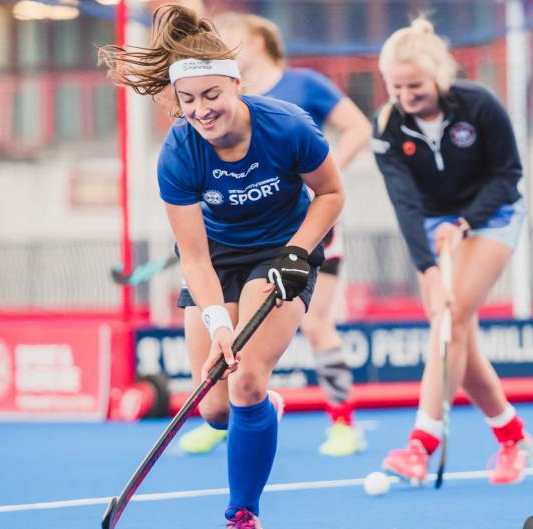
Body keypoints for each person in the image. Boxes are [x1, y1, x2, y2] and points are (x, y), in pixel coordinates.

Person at [99, 5, 344, 527]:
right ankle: (264, 409)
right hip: (215, 261)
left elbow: (331, 192)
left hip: (280, 252)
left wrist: (298, 252)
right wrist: (217, 322)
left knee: (245, 381)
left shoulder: (286, 126)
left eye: (212, 96)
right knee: (213, 408)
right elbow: (192, 255)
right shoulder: (179, 154)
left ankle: (242, 513)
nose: (202, 111)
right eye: (188, 101)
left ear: (236, 84)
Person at [173, 11, 372, 458]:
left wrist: (315, 171)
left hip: (299, 225)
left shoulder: (301, 88)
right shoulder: (214, 102)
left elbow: (359, 128)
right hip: (233, 237)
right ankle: (229, 412)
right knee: (221, 398)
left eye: (232, 33)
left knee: (318, 321)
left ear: (259, 40)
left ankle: (342, 421)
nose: (220, 39)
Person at [371, 16, 533, 486]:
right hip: (433, 223)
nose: (406, 96)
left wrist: (464, 224)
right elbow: (404, 205)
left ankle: (419, 446)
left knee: (454, 318)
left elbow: (508, 176)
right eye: (397, 87)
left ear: (439, 74)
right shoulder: (386, 127)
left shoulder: (479, 105)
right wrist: (426, 269)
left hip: (493, 216)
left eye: (416, 85)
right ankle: (512, 437)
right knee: (454, 333)